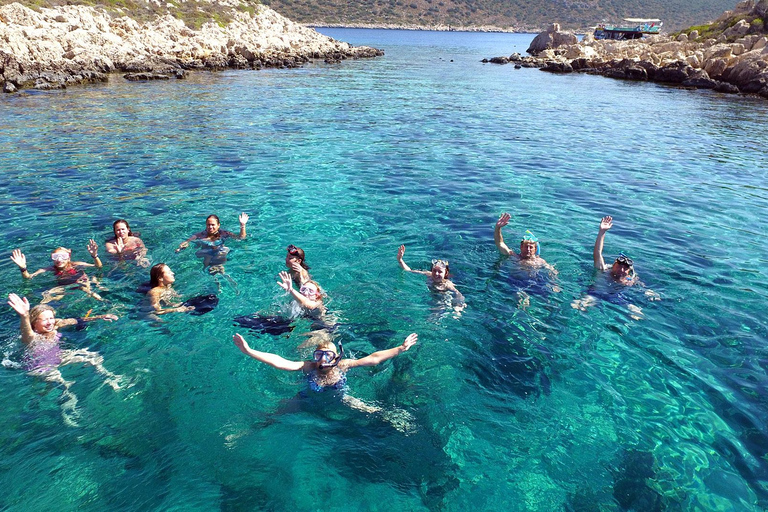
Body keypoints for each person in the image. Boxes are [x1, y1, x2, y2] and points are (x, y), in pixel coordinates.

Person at [7, 293, 121, 425]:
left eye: (51, 317)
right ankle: (69, 410)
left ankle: (110, 378)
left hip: (58, 357)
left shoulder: (55, 325)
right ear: (34, 322)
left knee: (93, 357)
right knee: (63, 383)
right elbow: (26, 332)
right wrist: (24, 316)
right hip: (40, 366)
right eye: (44, 320)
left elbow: (77, 320)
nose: (50, 322)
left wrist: (101, 317)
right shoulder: (31, 336)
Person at [233, 332, 418, 414]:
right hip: (306, 396)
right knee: (274, 414)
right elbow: (280, 362)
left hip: (340, 396)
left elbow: (374, 358)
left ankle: (393, 417)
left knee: (370, 409)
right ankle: (249, 429)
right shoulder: (309, 366)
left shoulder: (343, 365)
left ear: (336, 356)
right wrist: (249, 351)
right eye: (318, 354)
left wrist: (401, 348)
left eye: (328, 355)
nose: (322, 359)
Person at [572, 216, 658, 317]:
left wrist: (649, 292)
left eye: (625, 268)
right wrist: (602, 232)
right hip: (595, 293)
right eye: (619, 265)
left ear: (628, 271)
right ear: (613, 265)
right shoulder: (603, 270)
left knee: (634, 311)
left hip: (616, 297)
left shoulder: (630, 279)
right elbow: (597, 253)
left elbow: (641, 287)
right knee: (581, 304)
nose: (621, 269)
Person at [493, 212, 559, 307]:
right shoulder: (513, 256)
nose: (528, 249)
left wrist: (554, 284)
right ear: (521, 247)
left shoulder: (540, 261)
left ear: (535, 249)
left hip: (535, 284)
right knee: (521, 301)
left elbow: (552, 271)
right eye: (525, 246)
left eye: (531, 247)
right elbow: (500, 243)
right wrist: (498, 228)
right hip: (516, 283)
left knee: (550, 303)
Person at [10, 243, 104, 302]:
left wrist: (95, 256)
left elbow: (98, 266)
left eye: (63, 256)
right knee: (46, 296)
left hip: (81, 282)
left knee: (90, 292)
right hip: (62, 286)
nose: (59, 260)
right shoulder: (50, 269)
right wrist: (23, 268)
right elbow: (28, 277)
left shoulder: (76, 264)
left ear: (68, 257)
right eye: (55, 257)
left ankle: (104, 302)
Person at [176, 213, 249, 273]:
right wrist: (181, 247)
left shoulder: (224, 233)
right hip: (206, 254)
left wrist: (243, 225)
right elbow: (187, 241)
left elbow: (241, 238)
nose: (210, 227)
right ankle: (214, 272)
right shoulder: (200, 235)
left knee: (223, 250)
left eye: (213, 225)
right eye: (208, 225)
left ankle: (219, 269)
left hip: (219, 254)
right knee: (208, 263)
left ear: (218, 225)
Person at [397, 244, 465, 307]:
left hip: (442, 298)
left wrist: (458, 306)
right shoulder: (428, 274)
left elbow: (459, 295)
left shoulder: (447, 284)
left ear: (445, 273)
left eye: (440, 272)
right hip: (429, 295)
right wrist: (400, 260)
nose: (436, 274)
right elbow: (409, 270)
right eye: (434, 270)